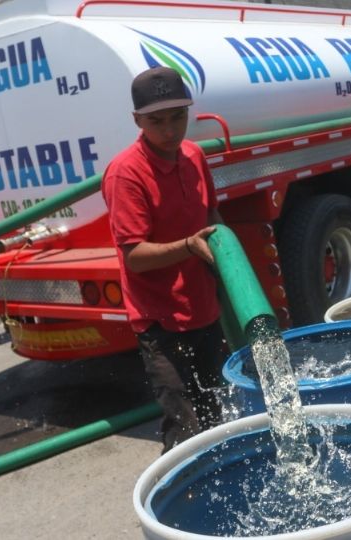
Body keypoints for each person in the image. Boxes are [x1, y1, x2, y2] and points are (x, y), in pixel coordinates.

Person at [102, 66, 228, 454]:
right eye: (157, 121)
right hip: (161, 319)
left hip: (203, 307)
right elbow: (135, 257)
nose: (170, 130)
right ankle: (182, 507)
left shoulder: (193, 155)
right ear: (136, 120)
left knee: (220, 410)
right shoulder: (126, 174)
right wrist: (189, 246)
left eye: (178, 117)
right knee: (184, 424)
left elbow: (213, 218)